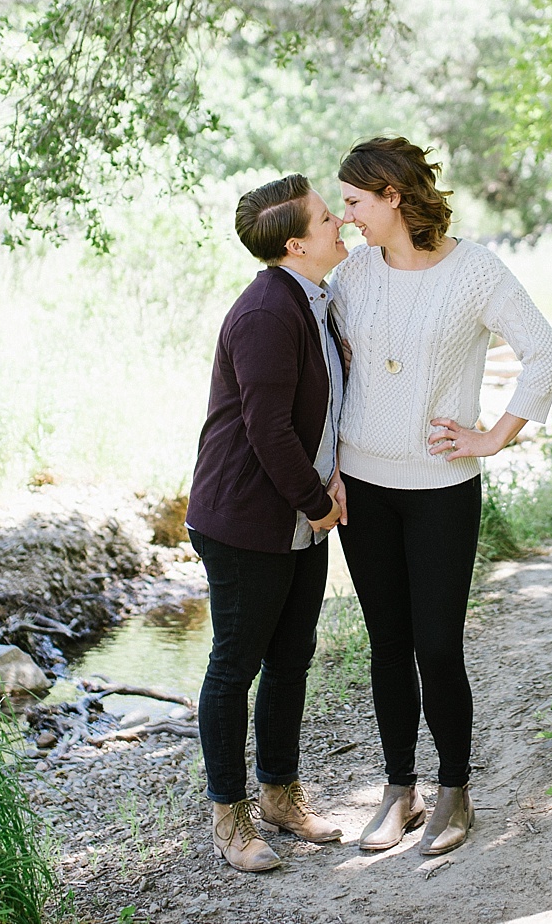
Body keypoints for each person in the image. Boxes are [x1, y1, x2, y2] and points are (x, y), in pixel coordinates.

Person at [326, 136, 552, 855]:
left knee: (437, 644)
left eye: (355, 202)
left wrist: (494, 435)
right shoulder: (352, 274)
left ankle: (456, 794)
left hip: (440, 491)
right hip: (363, 487)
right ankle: (399, 790)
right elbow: (328, 365)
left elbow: (546, 354)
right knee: (387, 644)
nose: (345, 219)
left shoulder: (476, 271)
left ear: (393, 197)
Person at [183, 174, 352, 872]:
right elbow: (267, 431)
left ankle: (281, 796)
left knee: (291, 657)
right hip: (247, 517)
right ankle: (230, 819)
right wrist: (319, 502)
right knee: (235, 666)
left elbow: (320, 410)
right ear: (295, 243)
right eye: (324, 216)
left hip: (297, 510)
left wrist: (329, 478)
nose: (338, 220)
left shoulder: (315, 299)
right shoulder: (265, 313)